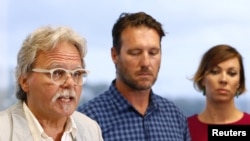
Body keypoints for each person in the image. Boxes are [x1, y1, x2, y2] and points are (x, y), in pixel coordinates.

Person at [78, 12, 190, 141]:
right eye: (135, 53)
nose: (146, 63)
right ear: (115, 55)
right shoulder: (88, 120)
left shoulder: (175, 117)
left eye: (153, 53)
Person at [0, 26, 104, 141]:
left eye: (76, 74)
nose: (70, 83)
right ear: (24, 81)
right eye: (57, 73)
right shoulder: (3, 130)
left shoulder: (91, 129)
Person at [188, 44, 250, 141]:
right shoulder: (184, 128)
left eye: (232, 73)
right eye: (215, 72)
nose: (223, 79)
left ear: (239, 82)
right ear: (202, 79)